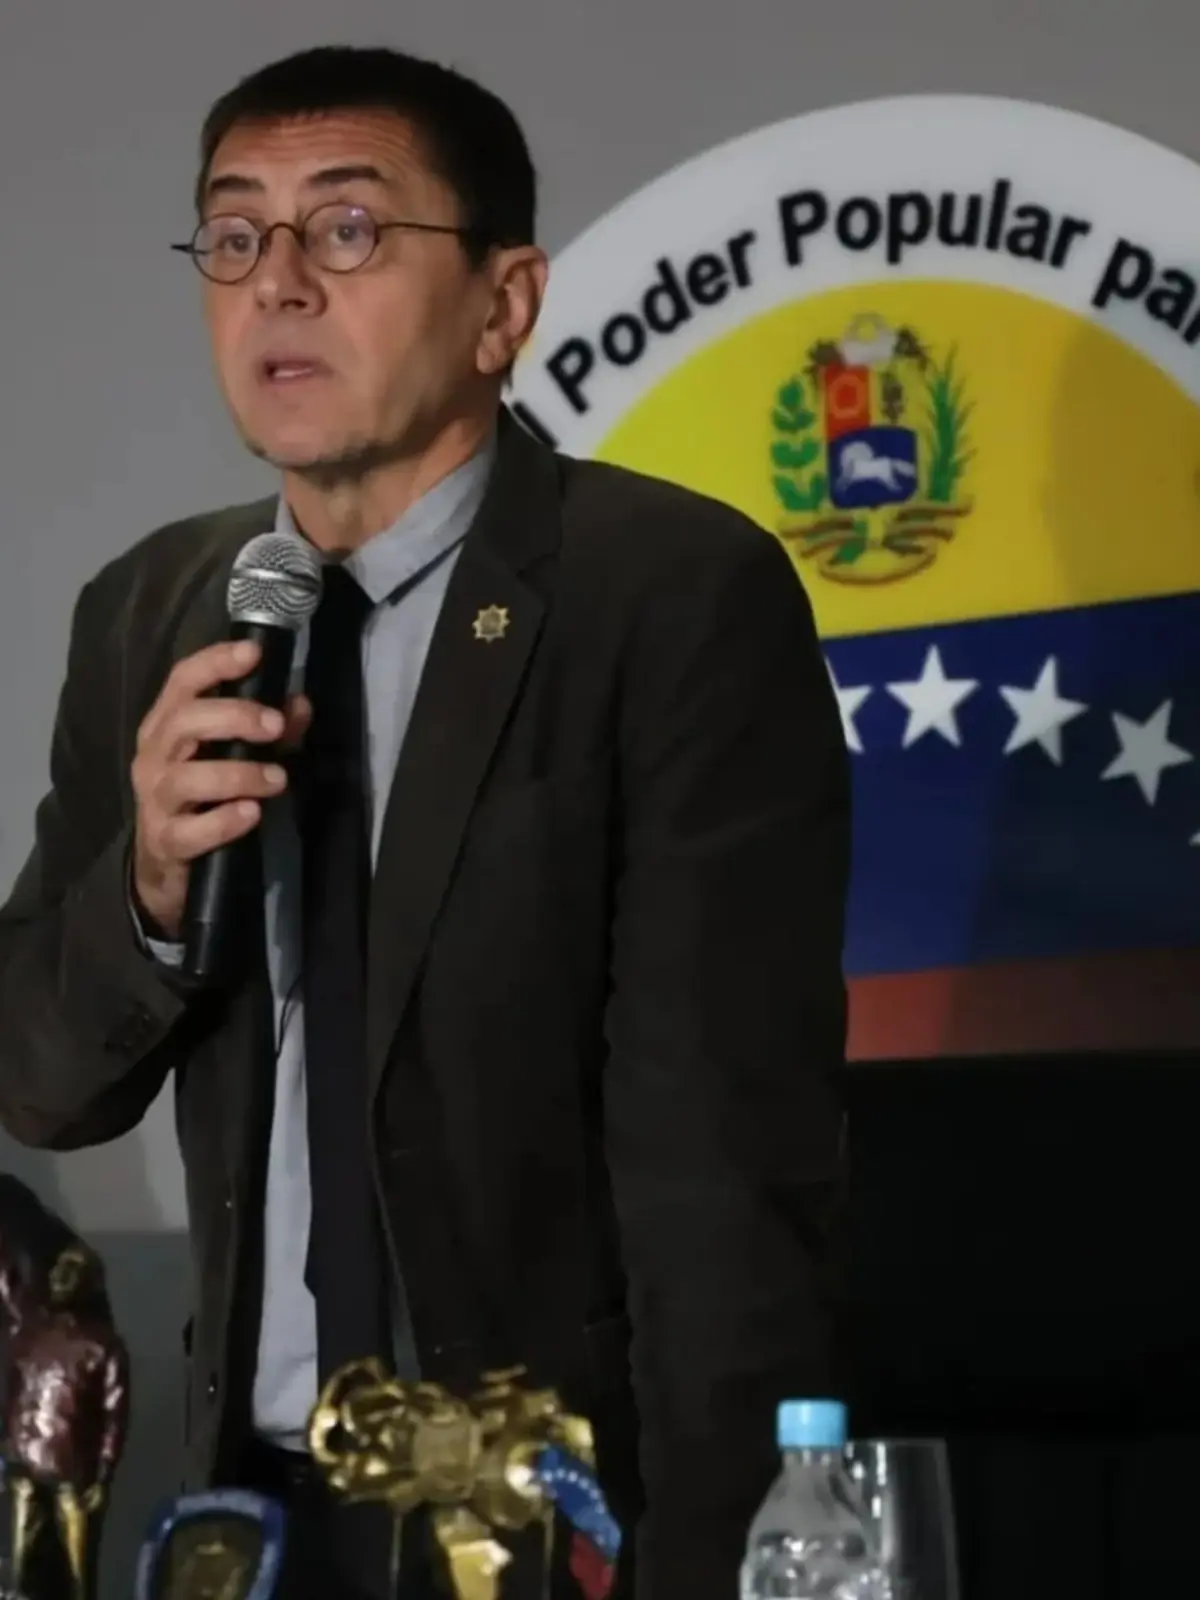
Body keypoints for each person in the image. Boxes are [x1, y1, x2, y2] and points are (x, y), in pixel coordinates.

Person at [0, 44, 849, 1600]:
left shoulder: (662, 597)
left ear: (505, 305)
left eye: (346, 232)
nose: (278, 288)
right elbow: (41, 1084)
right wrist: (151, 884)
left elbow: (720, 1163)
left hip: (545, 1517)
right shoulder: (152, 610)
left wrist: (714, 1563)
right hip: (245, 1511)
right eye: (235, 236)